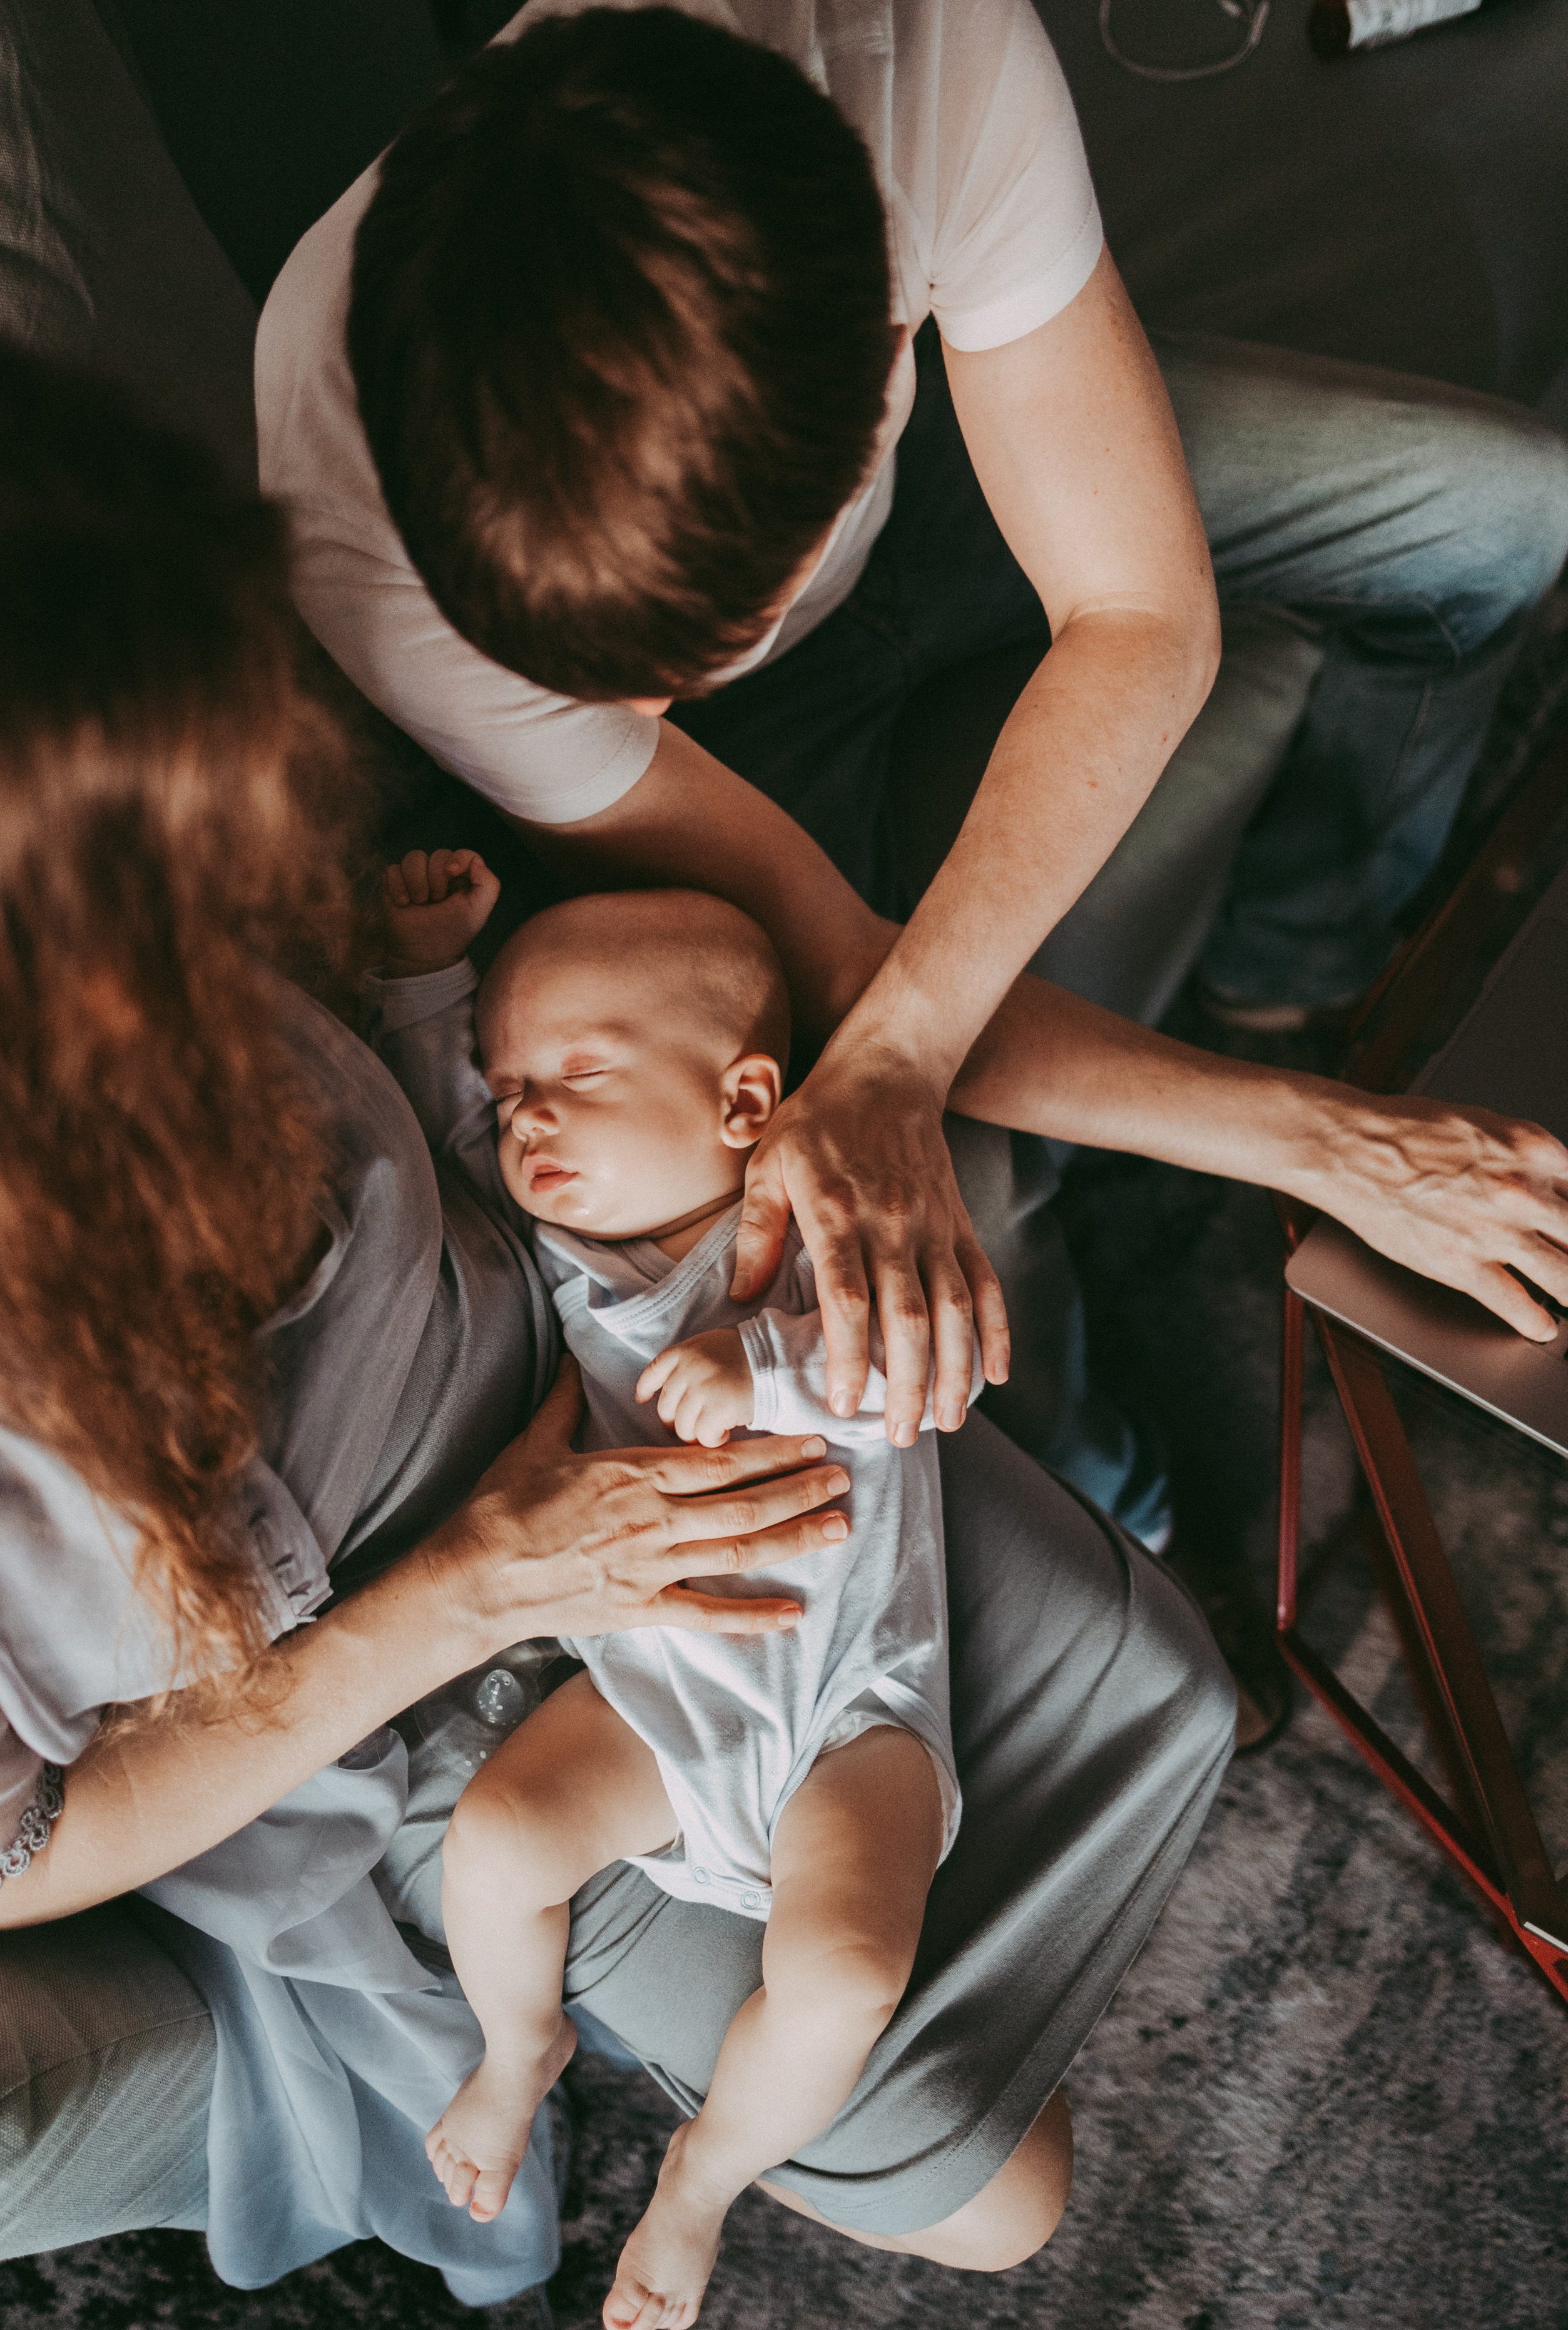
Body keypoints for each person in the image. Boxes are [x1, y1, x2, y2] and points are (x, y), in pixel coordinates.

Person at [0, 333, 1238, 2299]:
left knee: (1160, 1692)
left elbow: (769, 1005)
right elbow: (16, 1850)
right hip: (413, 1707)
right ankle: (631, 2101)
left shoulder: (108, 750)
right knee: (1008, 2200)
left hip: (665, 1446)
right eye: (166, 896)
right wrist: (479, 1585)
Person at [257, 0, 1568, 1569]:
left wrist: (1316, 1115)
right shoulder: (367, 519)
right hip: (712, 792)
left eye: (693, 647)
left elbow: (1140, 613)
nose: (646, 698)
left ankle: (1300, 958)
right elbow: (829, 947)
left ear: (892, 320)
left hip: (921, 495)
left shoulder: (931, 52)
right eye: (615, 673)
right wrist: (1327, 1145)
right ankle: (1131, 1533)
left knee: (1503, 516)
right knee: (959, 1203)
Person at [377, 858, 973, 2330]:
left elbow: (903, 1364)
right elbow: (445, 1134)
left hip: (851, 1708)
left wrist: (758, 1366)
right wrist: (424, 978)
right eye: (515, 1083)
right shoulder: (565, 1258)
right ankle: (520, 2051)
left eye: (577, 1073)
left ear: (743, 1105)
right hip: (653, 1700)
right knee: (500, 1836)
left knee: (840, 1971)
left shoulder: (807, 1216)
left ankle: (703, 2175)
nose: (529, 1116)